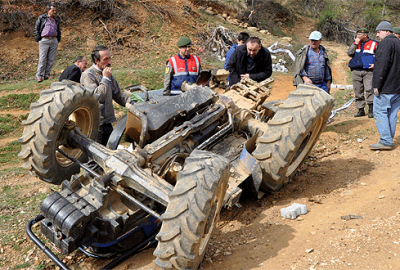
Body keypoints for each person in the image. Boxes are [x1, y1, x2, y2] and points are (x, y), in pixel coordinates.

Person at [80, 45, 130, 146]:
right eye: (105, 59)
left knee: (110, 152)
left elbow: (118, 95)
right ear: (96, 61)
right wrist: (105, 79)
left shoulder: (108, 74)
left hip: (107, 122)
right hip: (95, 125)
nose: (109, 62)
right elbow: (98, 97)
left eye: (109, 58)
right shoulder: (88, 75)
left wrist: (133, 103)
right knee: (95, 158)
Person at [369, 21, 400, 150]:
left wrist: (376, 85)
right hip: (397, 87)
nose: (377, 35)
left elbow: (381, 66)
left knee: (379, 111)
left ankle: (386, 140)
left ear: (387, 32)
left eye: (379, 32)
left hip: (386, 86)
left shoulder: (386, 43)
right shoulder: (398, 43)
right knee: (392, 113)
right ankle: (388, 139)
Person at [347, 28, 378, 118]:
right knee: (358, 91)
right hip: (356, 70)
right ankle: (361, 110)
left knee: (369, 90)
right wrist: (355, 43)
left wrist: (375, 64)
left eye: (359, 35)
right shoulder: (356, 43)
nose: (358, 36)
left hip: (368, 71)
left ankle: (371, 110)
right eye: (357, 35)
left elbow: (380, 56)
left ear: (365, 35)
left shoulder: (374, 43)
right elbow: (349, 53)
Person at [34, 3, 61, 83]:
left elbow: (58, 30)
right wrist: (39, 38)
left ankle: (47, 75)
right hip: (44, 40)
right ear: (48, 10)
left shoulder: (56, 19)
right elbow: (36, 29)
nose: (54, 12)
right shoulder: (41, 18)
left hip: (54, 40)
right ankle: (39, 76)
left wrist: (58, 39)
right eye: (53, 10)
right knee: (42, 59)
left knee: (51, 59)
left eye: (55, 10)